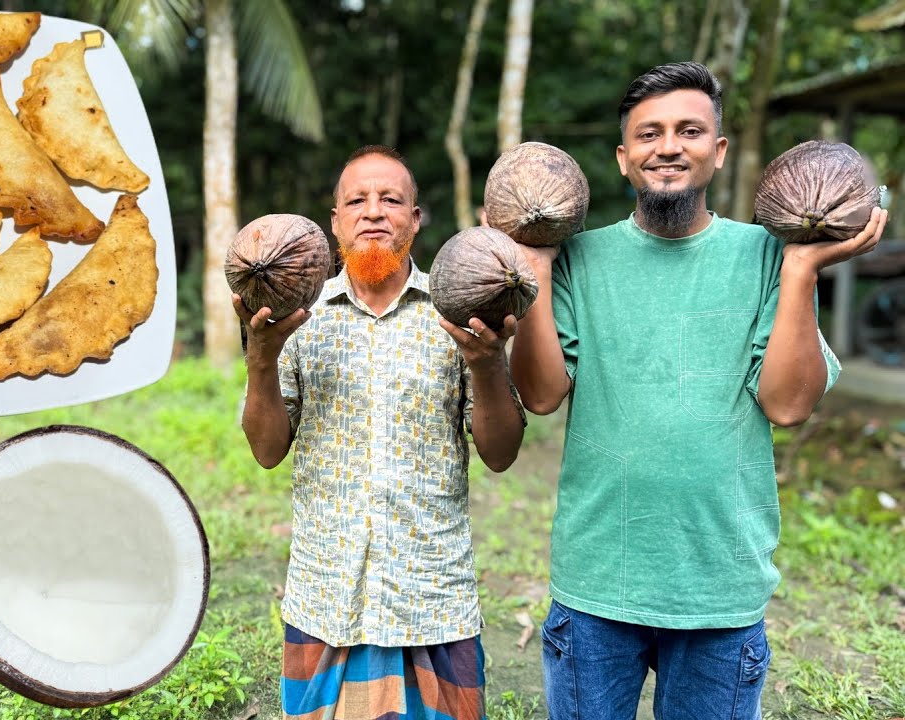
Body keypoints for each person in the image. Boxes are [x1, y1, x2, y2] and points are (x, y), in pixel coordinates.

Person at [508, 62, 888, 718]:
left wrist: (801, 268)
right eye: (649, 133)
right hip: (599, 582)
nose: (668, 146)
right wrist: (536, 265)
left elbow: (789, 404)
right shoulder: (580, 258)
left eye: (689, 130)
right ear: (625, 159)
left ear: (717, 153)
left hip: (720, 585)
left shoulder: (767, 253)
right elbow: (540, 396)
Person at [235, 145, 526, 720]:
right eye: (357, 200)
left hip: (432, 599)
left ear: (415, 219)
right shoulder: (299, 315)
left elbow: (500, 453)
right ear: (335, 222)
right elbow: (267, 451)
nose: (373, 211)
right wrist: (261, 359)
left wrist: (489, 365)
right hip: (326, 598)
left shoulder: (457, 313)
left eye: (390, 199)